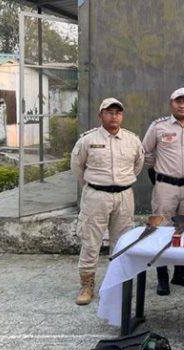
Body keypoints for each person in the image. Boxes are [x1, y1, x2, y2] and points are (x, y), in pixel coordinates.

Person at [71, 98, 145, 305]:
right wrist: (96, 185)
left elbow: (137, 165)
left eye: (118, 113)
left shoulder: (132, 140)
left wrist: (121, 182)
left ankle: (117, 283)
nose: (114, 116)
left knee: (122, 242)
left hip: (124, 195)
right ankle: (87, 284)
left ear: (122, 116)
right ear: (100, 115)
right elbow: (77, 167)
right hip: (96, 196)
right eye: (109, 112)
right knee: (90, 241)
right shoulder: (87, 140)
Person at [141, 88, 184, 296]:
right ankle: (162, 276)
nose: (182, 105)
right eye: (178, 101)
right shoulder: (159, 126)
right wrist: (158, 167)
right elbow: (144, 151)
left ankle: (179, 273)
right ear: (171, 104)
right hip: (165, 187)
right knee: (162, 229)